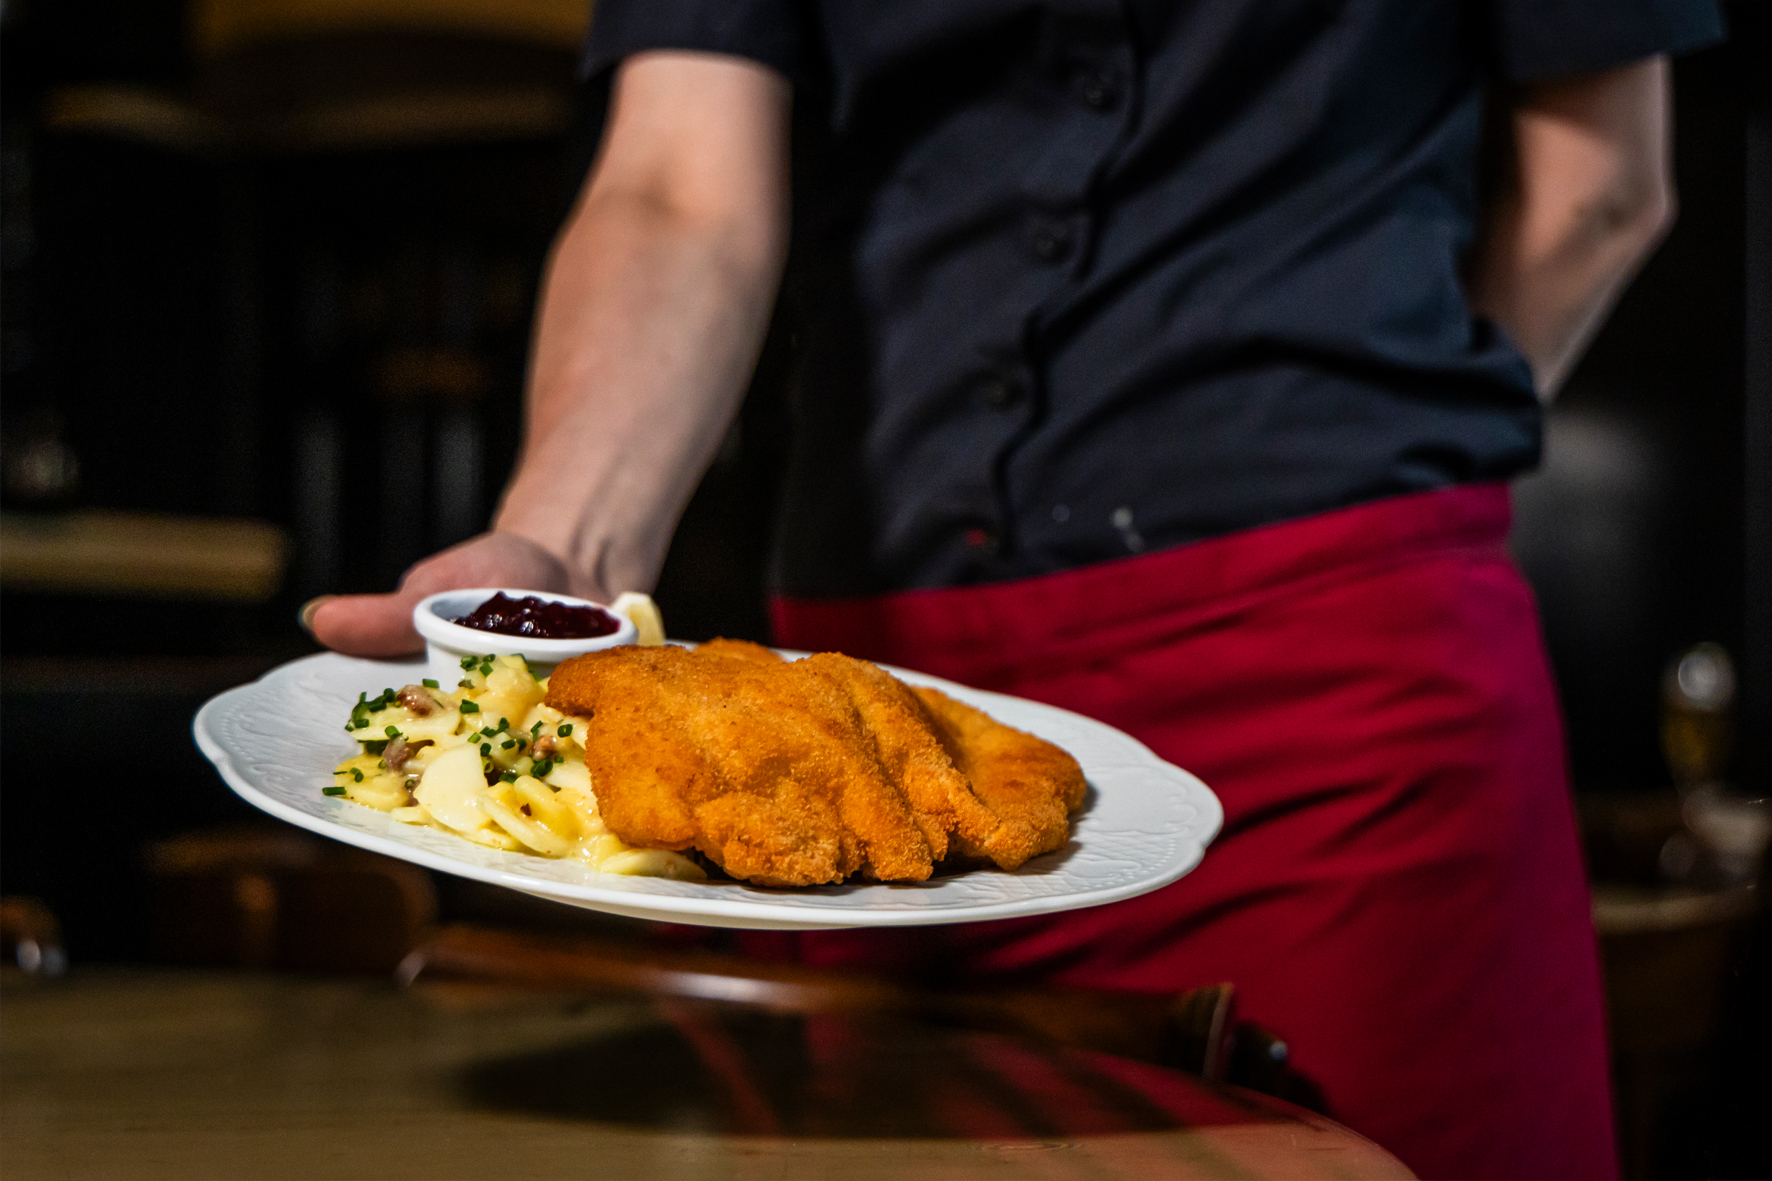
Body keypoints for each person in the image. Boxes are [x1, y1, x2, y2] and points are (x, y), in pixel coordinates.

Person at [304, 2, 1724, 1175]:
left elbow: (1604, 191)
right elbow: (679, 183)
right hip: (854, 731)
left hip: (1330, 721)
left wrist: (1385, 482)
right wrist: (563, 564)